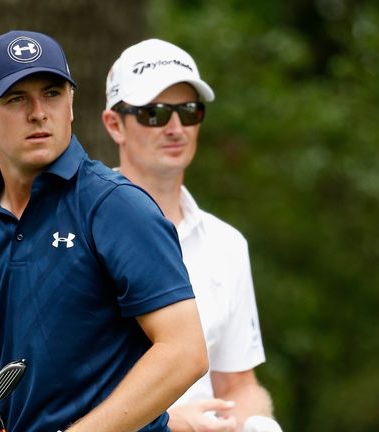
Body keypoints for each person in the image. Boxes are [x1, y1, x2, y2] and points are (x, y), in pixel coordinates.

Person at [0, 30, 208, 432]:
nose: (38, 112)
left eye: (52, 93)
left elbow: (185, 352)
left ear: (72, 103)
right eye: (16, 99)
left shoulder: (115, 206)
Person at [101, 39, 283, 432]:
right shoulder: (74, 232)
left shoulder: (227, 244)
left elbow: (237, 383)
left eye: (188, 112)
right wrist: (168, 424)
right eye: (154, 113)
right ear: (115, 124)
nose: (175, 128)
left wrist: (257, 422)